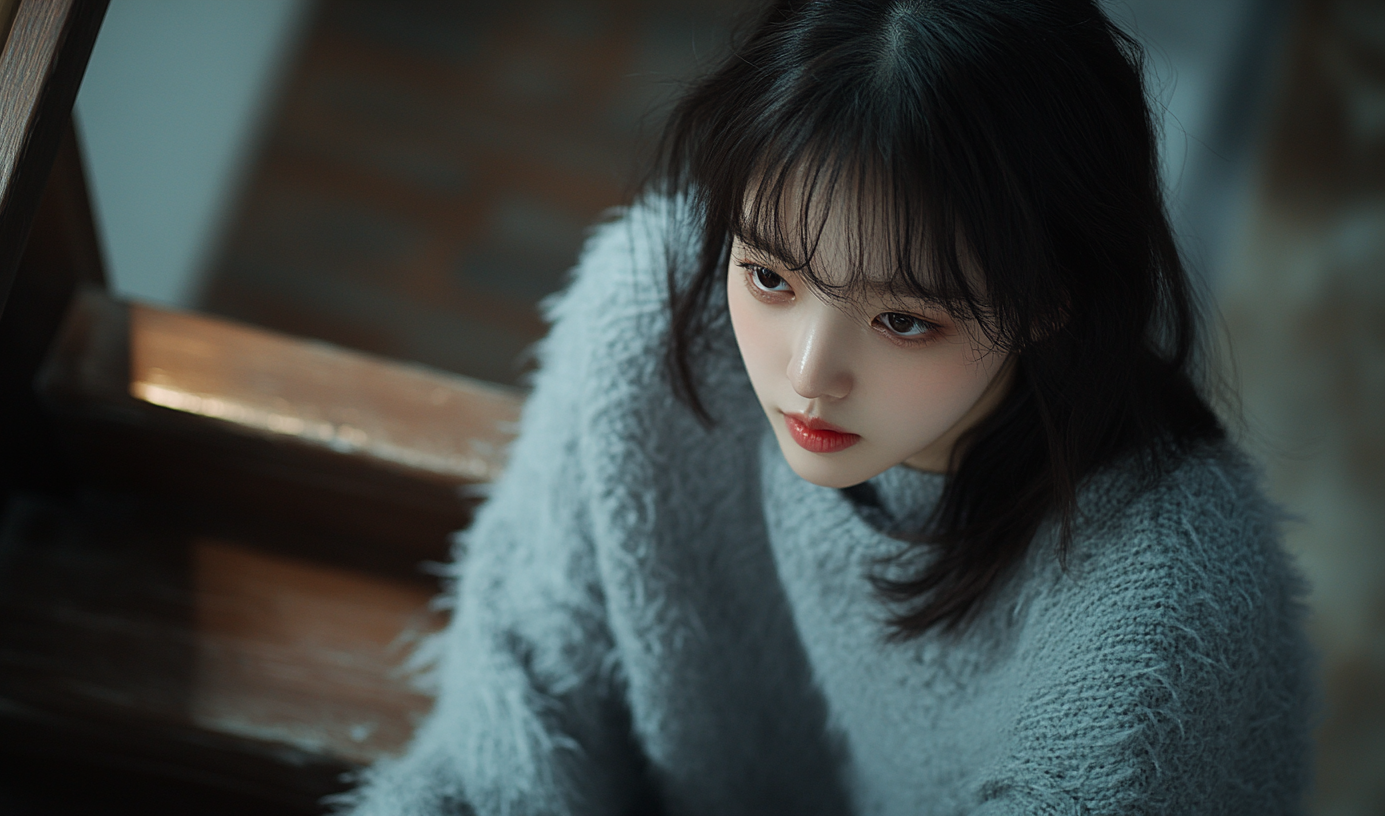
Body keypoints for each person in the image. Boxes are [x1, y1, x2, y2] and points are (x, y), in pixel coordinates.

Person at [337, 0, 1312, 813]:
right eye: (767, 276)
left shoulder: (1159, 611)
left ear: (1046, 304)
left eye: (901, 321)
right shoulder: (653, 309)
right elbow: (512, 732)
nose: (807, 373)